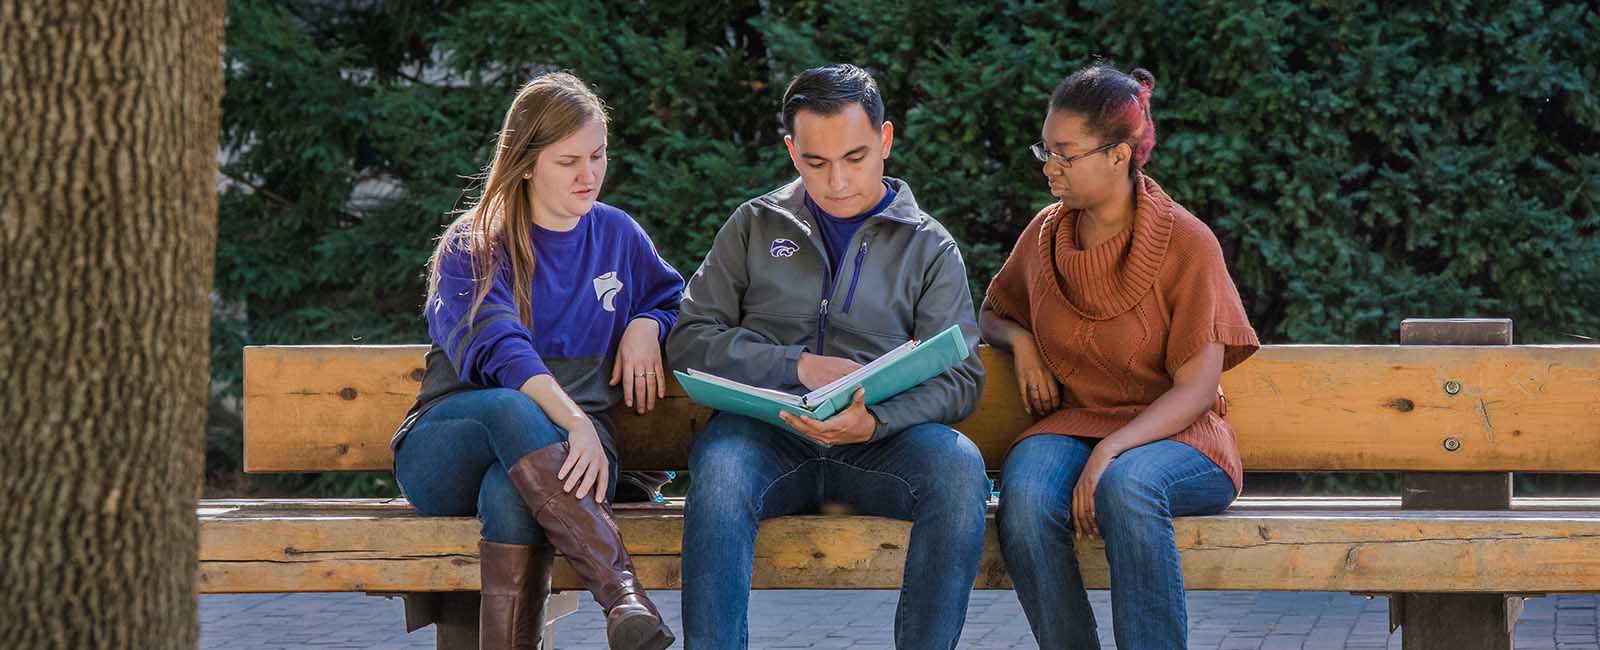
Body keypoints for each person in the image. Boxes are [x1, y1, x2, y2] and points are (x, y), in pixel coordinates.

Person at [667, 63, 989, 649]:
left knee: (959, 468)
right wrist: (796, 366)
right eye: (816, 162)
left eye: (856, 157)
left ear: (886, 140)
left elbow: (963, 375)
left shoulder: (930, 246)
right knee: (717, 476)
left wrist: (878, 419)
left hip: (881, 446)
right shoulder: (752, 226)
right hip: (764, 437)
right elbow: (691, 338)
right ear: (792, 151)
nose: (838, 181)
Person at [390, 72, 680, 650]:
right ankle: (622, 595)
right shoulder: (473, 245)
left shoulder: (618, 235)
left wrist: (648, 323)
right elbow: (503, 352)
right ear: (525, 163)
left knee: (510, 491)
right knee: (508, 406)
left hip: (566, 460)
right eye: (568, 160)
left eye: (598, 155)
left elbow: (672, 298)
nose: (589, 174)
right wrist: (575, 422)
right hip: (451, 447)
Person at [981, 65, 1261, 649]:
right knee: (1026, 497)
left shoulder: (1188, 243)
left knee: (1127, 485)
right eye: (1045, 149)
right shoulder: (1043, 235)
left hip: (1182, 439)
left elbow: (1196, 390)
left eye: (1064, 153)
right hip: (1076, 425)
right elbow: (992, 312)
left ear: (1119, 154)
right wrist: (1023, 343)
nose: (1047, 165)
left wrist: (1112, 448)